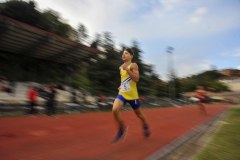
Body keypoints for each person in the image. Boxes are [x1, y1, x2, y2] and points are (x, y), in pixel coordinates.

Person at [112, 48, 150, 142]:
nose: (123, 55)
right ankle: (122, 128)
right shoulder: (121, 67)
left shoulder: (134, 65)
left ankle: (145, 124)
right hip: (123, 94)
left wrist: (128, 70)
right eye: (123, 53)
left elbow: (136, 79)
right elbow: (124, 80)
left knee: (139, 115)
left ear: (131, 56)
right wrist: (121, 86)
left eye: (126, 53)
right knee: (115, 109)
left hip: (133, 96)